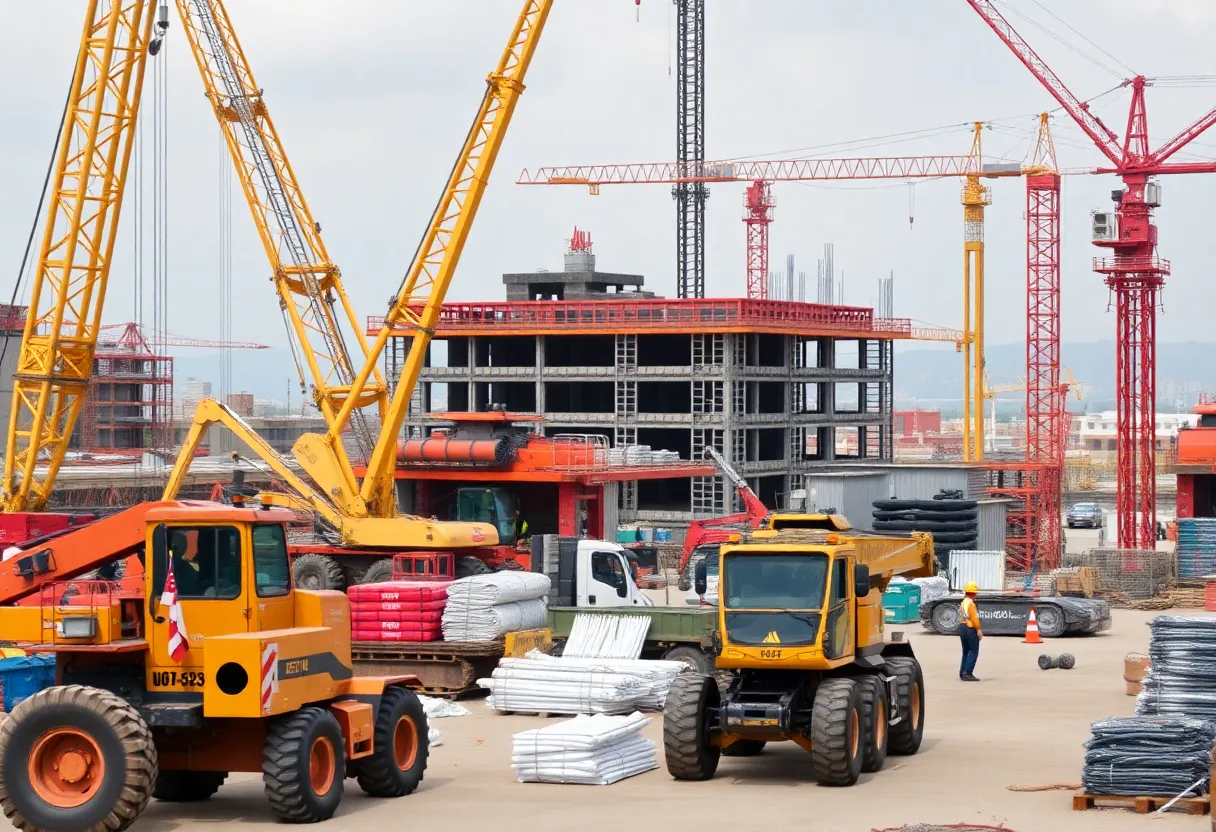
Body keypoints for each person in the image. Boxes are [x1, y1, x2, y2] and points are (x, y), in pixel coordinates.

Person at [959, 581, 982, 681]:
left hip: (962, 627)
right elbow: (974, 618)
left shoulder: (963, 602)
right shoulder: (971, 604)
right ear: (972, 593)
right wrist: (978, 629)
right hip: (970, 628)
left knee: (966, 651)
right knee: (973, 651)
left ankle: (962, 672)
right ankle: (967, 673)